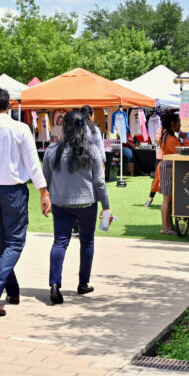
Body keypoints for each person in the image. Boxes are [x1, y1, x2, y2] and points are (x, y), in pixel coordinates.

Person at [0, 87, 49, 316]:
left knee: (0, 243)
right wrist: (43, 192)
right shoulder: (20, 129)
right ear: (10, 105)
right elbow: (33, 164)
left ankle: (11, 290)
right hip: (13, 191)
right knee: (14, 243)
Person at [42, 110, 110, 304]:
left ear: (64, 126)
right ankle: (83, 283)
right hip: (87, 203)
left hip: (60, 203)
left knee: (60, 242)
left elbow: (46, 178)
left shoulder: (52, 150)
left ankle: (54, 284)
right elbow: (100, 183)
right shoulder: (92, 150)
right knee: (87, 242)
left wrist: (45, 197)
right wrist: (106, 206)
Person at [152, 113, 189, 233]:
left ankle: (168, 226)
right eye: (178, 122)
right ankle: (165, 227)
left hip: (168, 167)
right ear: (172, 123)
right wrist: (185, 139)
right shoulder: (170, 138)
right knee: (167, 198)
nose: (180, 125)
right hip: (169, 167)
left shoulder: (167, 136)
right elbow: (184, 151)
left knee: (169, 198)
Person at [80, 105, 106, 172]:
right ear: (89, 115)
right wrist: (103, 162)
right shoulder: (95, 129)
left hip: (77, 161)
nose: (94, 116)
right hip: (92, 161)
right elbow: (100, 147)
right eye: (93, 114)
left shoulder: (77, 127)